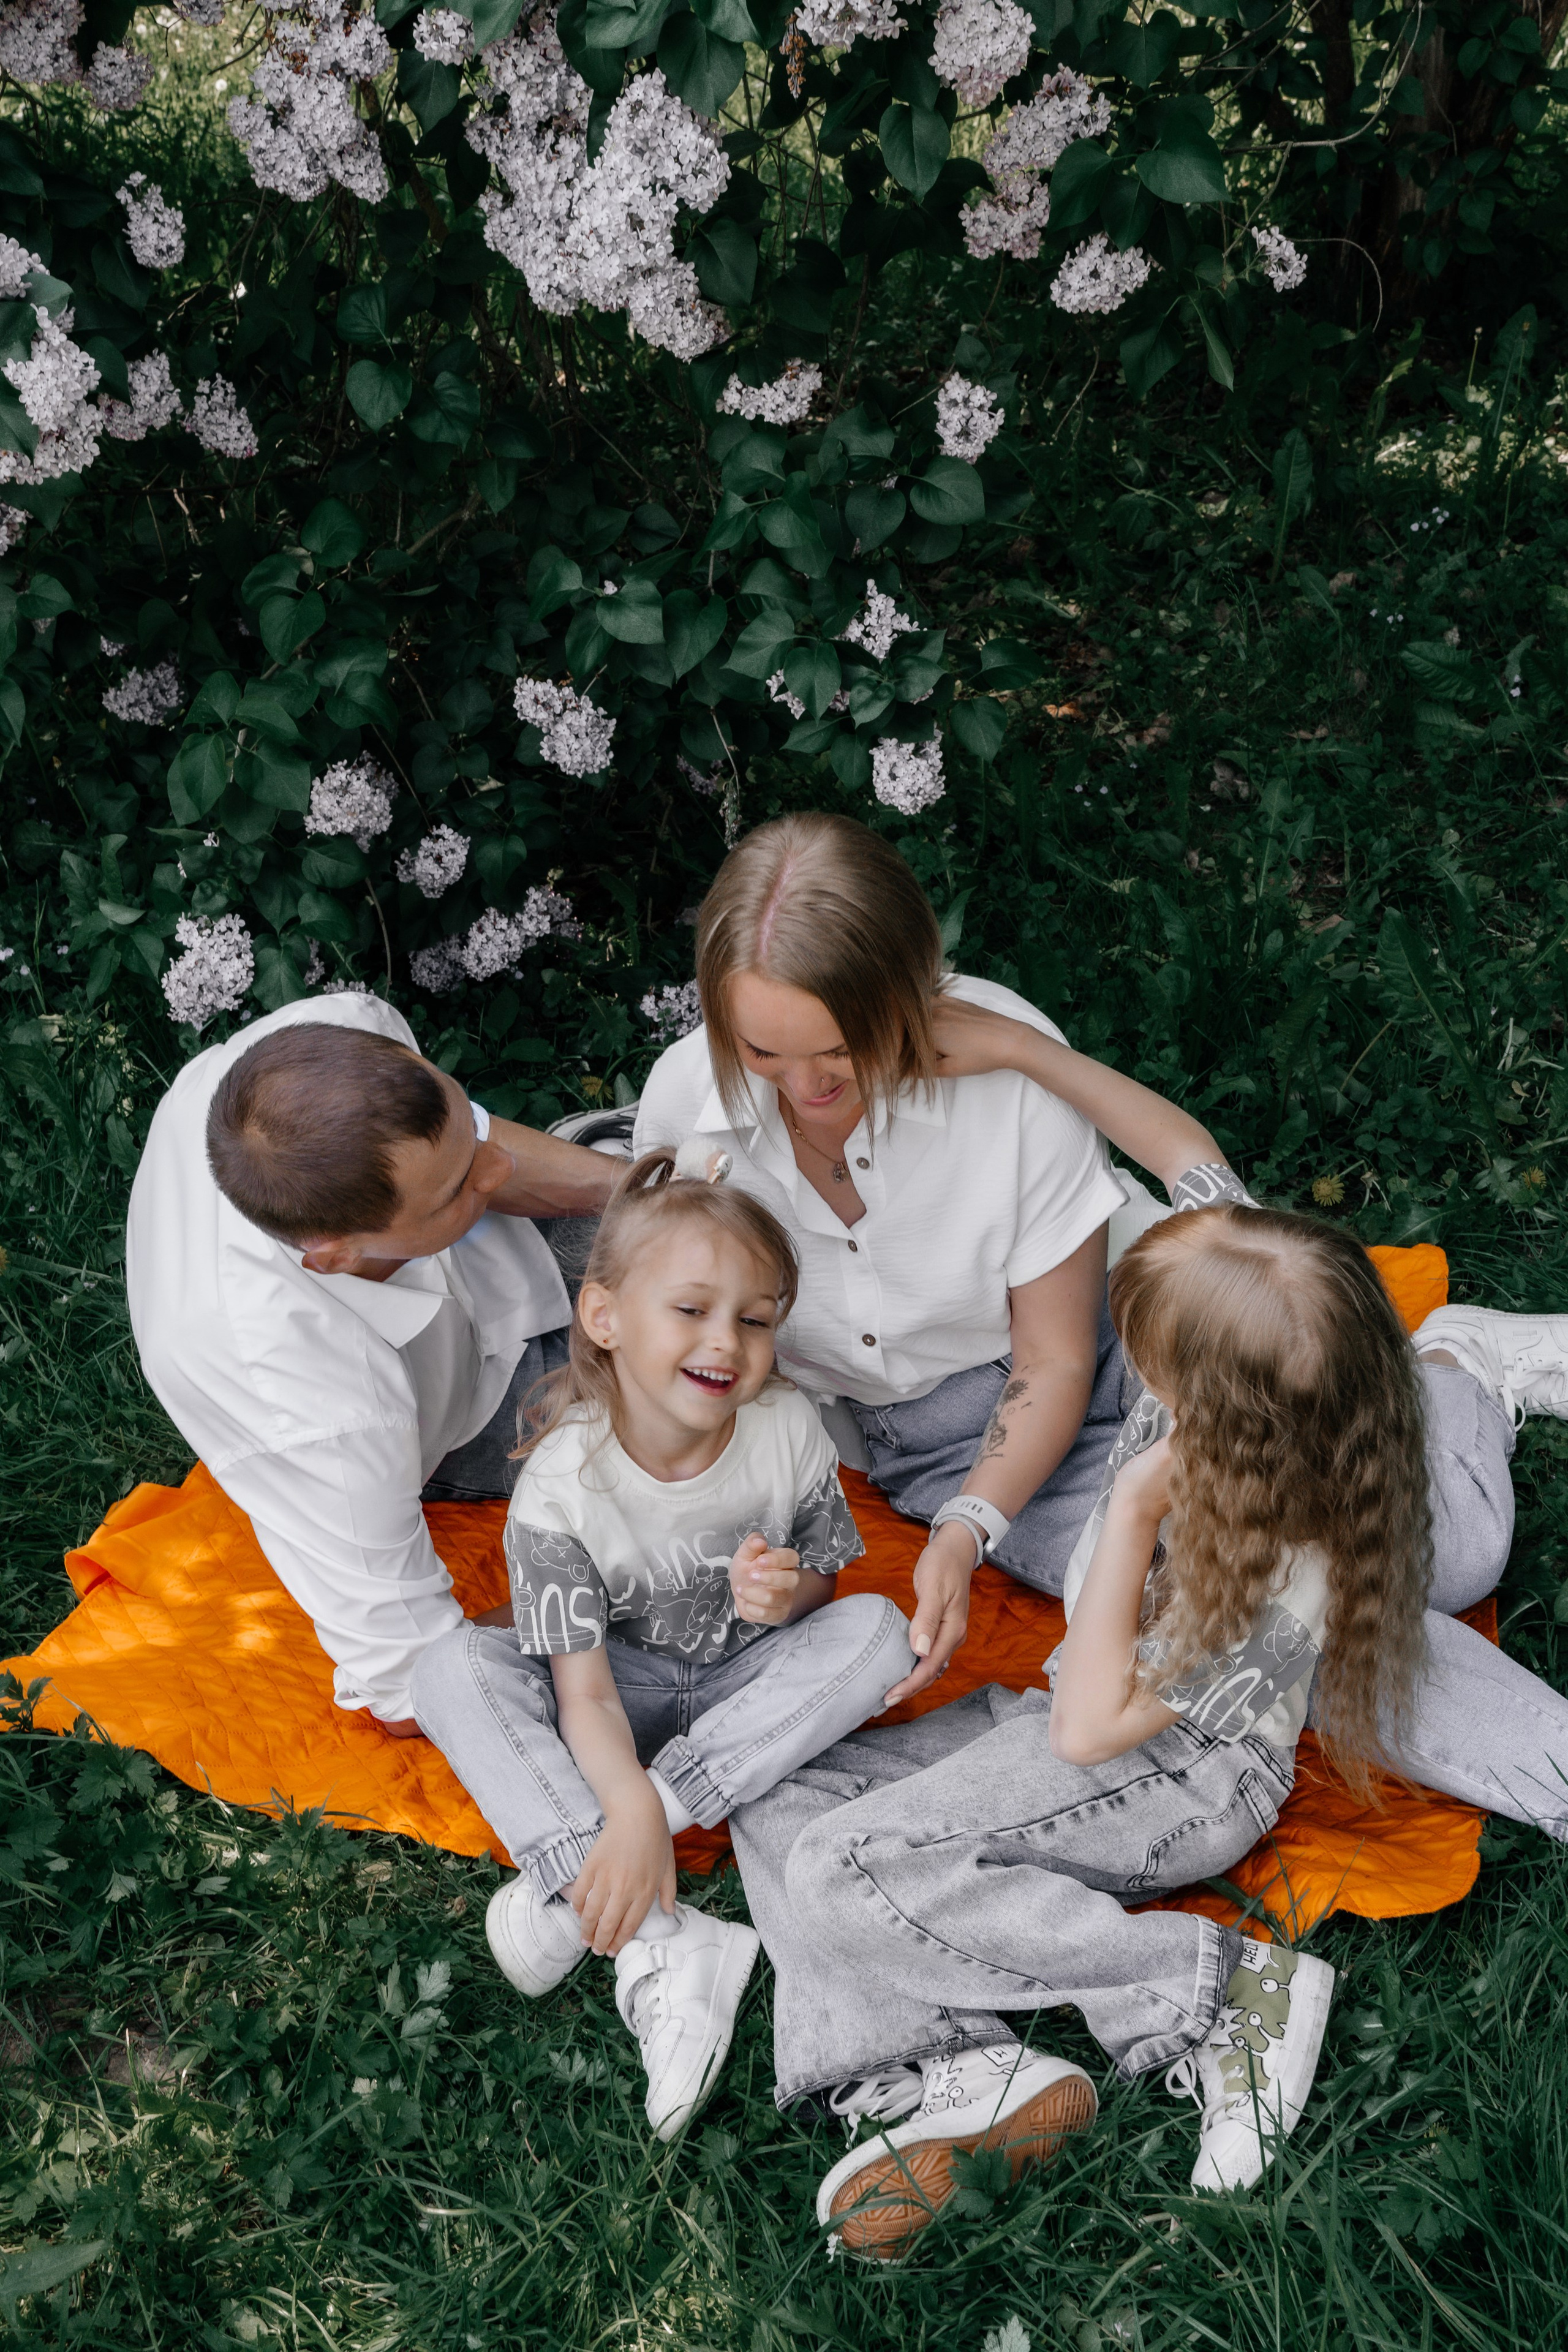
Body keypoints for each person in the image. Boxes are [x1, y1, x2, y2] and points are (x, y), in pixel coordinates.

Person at [635, 810, 1568, 1841]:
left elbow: (1059, 1351)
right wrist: (943, 1521)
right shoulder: (688, 1108)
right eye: (766, 1051)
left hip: (1149, 1341)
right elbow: (689, 1349)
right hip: (951, 1442)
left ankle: (1448, 1357)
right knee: (1282, 1622)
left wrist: (1025, 1055)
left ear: (908, 989)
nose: (808, 1091)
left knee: (1458, 1549)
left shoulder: (996, 1073)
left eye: (844, 1050)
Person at [728, 1202, 1505, 2257]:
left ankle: (1217, 1991)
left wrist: (1135, 1511)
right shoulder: (1239, 1397)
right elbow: (1214, 1234)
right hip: (1069, 1709)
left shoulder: (1289, 1546)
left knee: (838, 1867)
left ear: (1212, 1395)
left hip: (1188, 1773)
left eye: (1139, 1349)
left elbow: (1091, 1735)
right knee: (776, 1787)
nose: (1121, 1362)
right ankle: (950, 2058)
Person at [411, 1149, 915, 2141]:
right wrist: (627, 1793)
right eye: (691, 1310)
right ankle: (655, 1934)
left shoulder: (786, 1431)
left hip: (742, 1685)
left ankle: (589, 1879)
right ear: (605, 1316)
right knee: (449, 1666)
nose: (726, 1341)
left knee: (881, 1633)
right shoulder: (563, 1485)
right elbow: (585, 1693)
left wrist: (786, 1597)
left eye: (756, 1319)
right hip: (617, 1693)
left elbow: (827, 1590)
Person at [127, 993, 619, 1732]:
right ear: (338, 1255)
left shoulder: (332, 1041)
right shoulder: (315, 1410)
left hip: (484, 1276)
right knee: (698, 1418)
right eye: (460, 1189)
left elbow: (484, 1147)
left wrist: (645, 1192)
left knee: (716, 1195)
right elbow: (416, 1682)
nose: (499, 1167)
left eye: (467, 1132)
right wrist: (638, 1585)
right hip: (458, 1413)